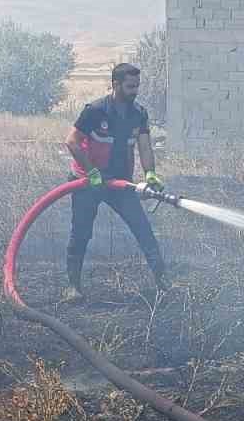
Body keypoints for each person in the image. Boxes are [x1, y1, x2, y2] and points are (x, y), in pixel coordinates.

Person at [63, 62, 169, 302]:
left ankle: (163, 282)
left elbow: (144, 146)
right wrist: (91, 172)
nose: (135, 91)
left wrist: (150, 173)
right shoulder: (95, 111)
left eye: (137, 86)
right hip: (87, 182)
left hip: (120, 183)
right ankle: (73, 287)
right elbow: (72, 141)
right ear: (115, 85)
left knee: (143, 229)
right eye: (130, 86)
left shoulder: (139, 114)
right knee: (81, 233)